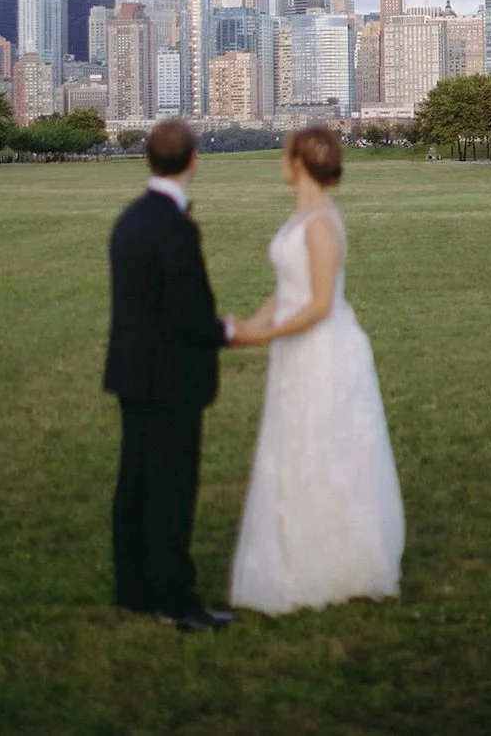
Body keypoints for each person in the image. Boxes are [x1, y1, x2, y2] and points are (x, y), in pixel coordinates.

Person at [229, 125, 405, 615]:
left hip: (325, 349)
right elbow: (285, 290)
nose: (281, 162)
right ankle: (298, 548)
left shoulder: (323, 223)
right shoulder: (302, 216)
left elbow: (321, 304)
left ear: (300, 162)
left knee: (325, 445)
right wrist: (248, 325)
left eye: (286, 154)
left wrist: (260, 336)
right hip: (294, 349)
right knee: (295, 443)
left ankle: (338, 561)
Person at [103, 118, 237, 633]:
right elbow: (185, 314)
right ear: (194, 160)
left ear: (148, 160)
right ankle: (174, 599)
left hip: (132, 373)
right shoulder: (174, 227)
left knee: (134, 484)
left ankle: (132, 589)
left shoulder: (131, 219)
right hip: (171, 378)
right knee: (171, 491)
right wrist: (226, 332)